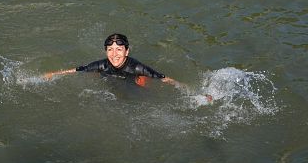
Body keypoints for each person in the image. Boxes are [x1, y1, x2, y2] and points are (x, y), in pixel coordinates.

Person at [44, 33, 212, 102]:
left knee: (140, 87)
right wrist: (52, 74)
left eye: (119, 49)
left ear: (126, 51)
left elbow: (165, 79)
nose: (114, 54)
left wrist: (194, 92)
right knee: (95, 73)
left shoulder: (137, 66)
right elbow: (77, 70)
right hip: (110, 76)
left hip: (134, 78)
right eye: (110, 50)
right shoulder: (102, 64)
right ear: (106, 51)